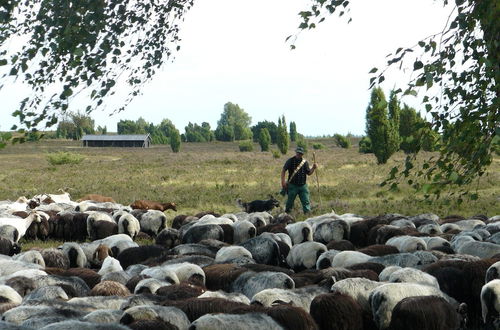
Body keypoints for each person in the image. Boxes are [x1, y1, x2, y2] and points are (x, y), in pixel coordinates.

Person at [280, 146, 318, 214]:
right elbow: (283, 171)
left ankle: (307, 214)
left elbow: (309, 173)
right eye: (298, 153)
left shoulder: (305, 162)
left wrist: (313, 168)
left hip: (303, 186)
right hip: (292, 186)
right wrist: (283, 182)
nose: (299, 154)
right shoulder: (290, 161)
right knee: (289, 202)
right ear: (296, 152)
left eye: (300, 153)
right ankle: (287, 215)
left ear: (302, 154)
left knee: (306, 201)